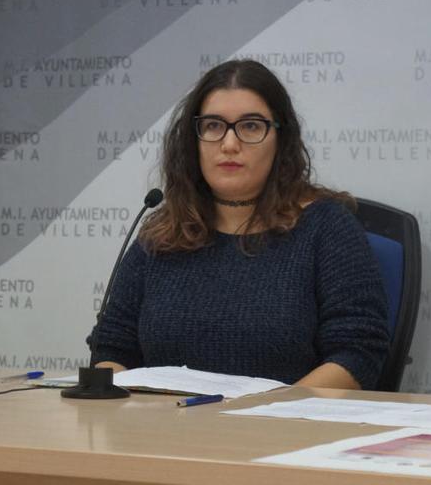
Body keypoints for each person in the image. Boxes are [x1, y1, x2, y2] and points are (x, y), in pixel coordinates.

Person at [88, 60, 390, 390]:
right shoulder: (162, 233)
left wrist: (267, 415)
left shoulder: (326, 227)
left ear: (280, 138)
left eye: (250, 127)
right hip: (166, 432)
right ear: (194, 139)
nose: (229, 144)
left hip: (288, 431)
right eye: (214, 126)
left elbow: (357, 354)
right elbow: (112, 348)